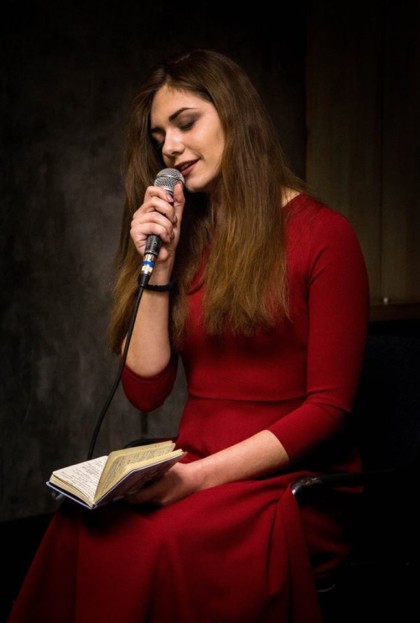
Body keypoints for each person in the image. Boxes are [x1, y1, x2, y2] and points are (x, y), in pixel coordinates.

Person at [8, 48, 369, 623]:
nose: (170, 148)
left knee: (154, 544)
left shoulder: (326, 235)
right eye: (159, 137)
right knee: (80, 526)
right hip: (194, 461)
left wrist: (197, 479)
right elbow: (145, 391)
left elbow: (329, 410)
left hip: (289, 483)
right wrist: (161, 268)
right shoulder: (188, 238)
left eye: (185, 123)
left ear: (235, 116)